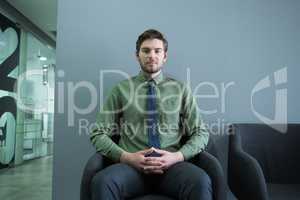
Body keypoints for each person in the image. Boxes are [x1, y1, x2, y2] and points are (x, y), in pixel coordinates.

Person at [90, 29, 212, 200]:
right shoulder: (121, 90)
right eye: (145, 50)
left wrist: (177, 157)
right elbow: (98, 133)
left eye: (157, 51)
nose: (151, 55)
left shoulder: (180, 89)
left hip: (172, 167)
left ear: (165, 56)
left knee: (200, 181)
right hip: (131, 168)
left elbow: (201, 132)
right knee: (102, 182)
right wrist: (127, 158)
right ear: (137, 55)